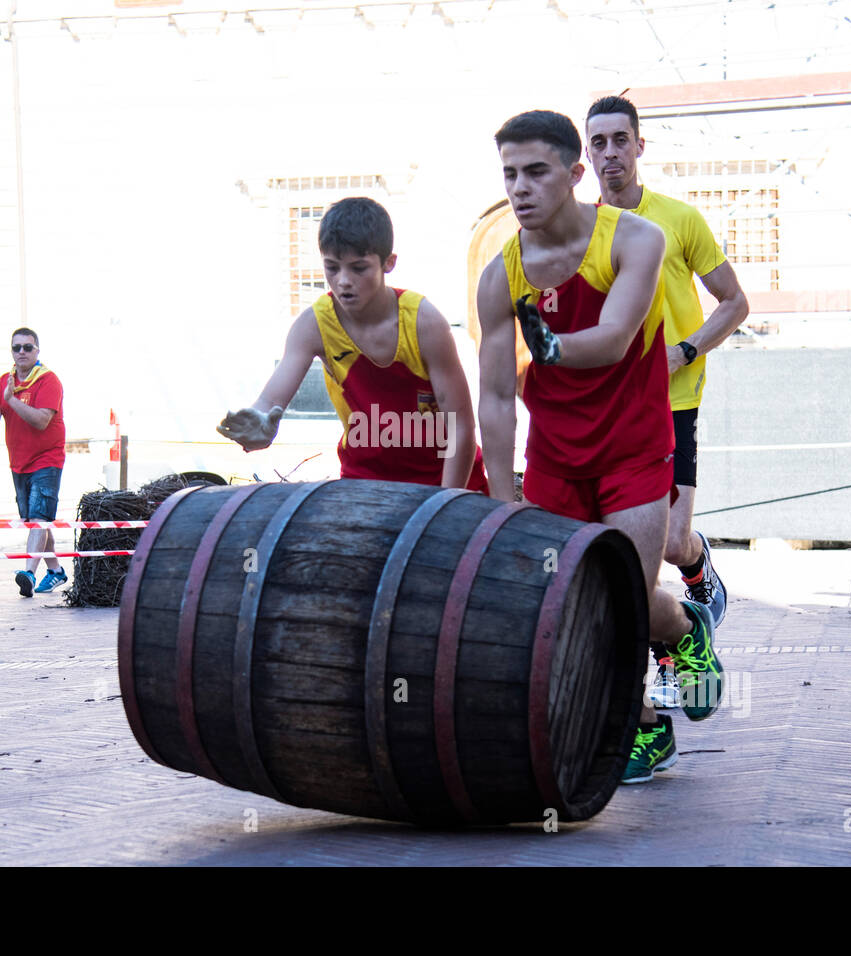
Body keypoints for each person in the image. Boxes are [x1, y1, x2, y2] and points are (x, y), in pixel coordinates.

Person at [476, 109, 723, 785]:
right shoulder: (502, 275)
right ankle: (646, 723)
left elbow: (615, 336)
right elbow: (496, 396)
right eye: (509, 175)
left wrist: (553, 346)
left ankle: (680, 632)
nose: (520, 189)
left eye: (536, 172)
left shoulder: (633, 240)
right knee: (573, 604)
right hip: (556, 462)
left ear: (574, 175)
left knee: (623, 600)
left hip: (635, 449)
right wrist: (502, 501)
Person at [585, 95, 749, 707]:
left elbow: (735, 303)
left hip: (673, 401)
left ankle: (699, 569)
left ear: (639, 147)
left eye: (619, 140)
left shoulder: (678, 220)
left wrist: (686, 349)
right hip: (611, 412)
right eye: (597, 143)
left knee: (671, 546)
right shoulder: (577, 231)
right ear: (586, 156)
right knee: (636, 557)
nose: (609, 154)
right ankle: (670, 665)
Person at [217, 196, 487, 492]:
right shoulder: (313, 326)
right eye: (332, 267)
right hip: (366, 484)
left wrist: (446, 502)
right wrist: (258, 424)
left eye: (358, 268)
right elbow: (269, 403)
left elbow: (460, 426)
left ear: (389, 263)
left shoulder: (424, 322)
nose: (343, 280)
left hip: (446, 483)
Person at [0, 328, 67, 597]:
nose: (21, 352)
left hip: (48, 459)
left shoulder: (48, 381)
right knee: (37, 521)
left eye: (27, 348)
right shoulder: (4, 382)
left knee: (38, 518)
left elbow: (41, 420)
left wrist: (12, 400)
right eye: (16, 347)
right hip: (19, 462)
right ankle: (55, 571)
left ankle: (29, 573)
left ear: (37, 351)